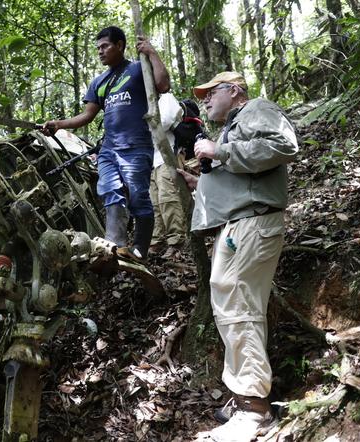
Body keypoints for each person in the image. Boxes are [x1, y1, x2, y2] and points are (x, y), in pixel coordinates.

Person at [177, 72, 299, 442]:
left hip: (254, 222)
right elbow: (243, 176)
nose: (205, 100)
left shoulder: (256, 109)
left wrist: (220, 152)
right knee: (233, 300)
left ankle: (253, 408)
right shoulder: (234, 126)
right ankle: (246, 394)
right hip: (239, 225)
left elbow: (283, 145)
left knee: (237, 299)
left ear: (234, 90)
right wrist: (205, 184)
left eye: (211, 93)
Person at [42, 26, 170, 261]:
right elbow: (87, 116)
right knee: (110, 192)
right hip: (109, 149)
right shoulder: (99, 81)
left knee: (138, 195)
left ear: (120, 45)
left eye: (105, 46)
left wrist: (151, 53)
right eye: (98, 48)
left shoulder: (137, 68)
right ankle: (115, 247)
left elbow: (163, 85)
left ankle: (141, 250)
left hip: (136, 145)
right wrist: (59, 124)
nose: (100, 52)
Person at [149, 95, 204, 257]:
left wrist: (143, 123)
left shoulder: (165, 98)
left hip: (169, 156)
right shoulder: (142, 105)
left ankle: (176, 241)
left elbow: (164, 121)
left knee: (168, 199)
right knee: (155, 203)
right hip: (152, 161)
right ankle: (157, 241)